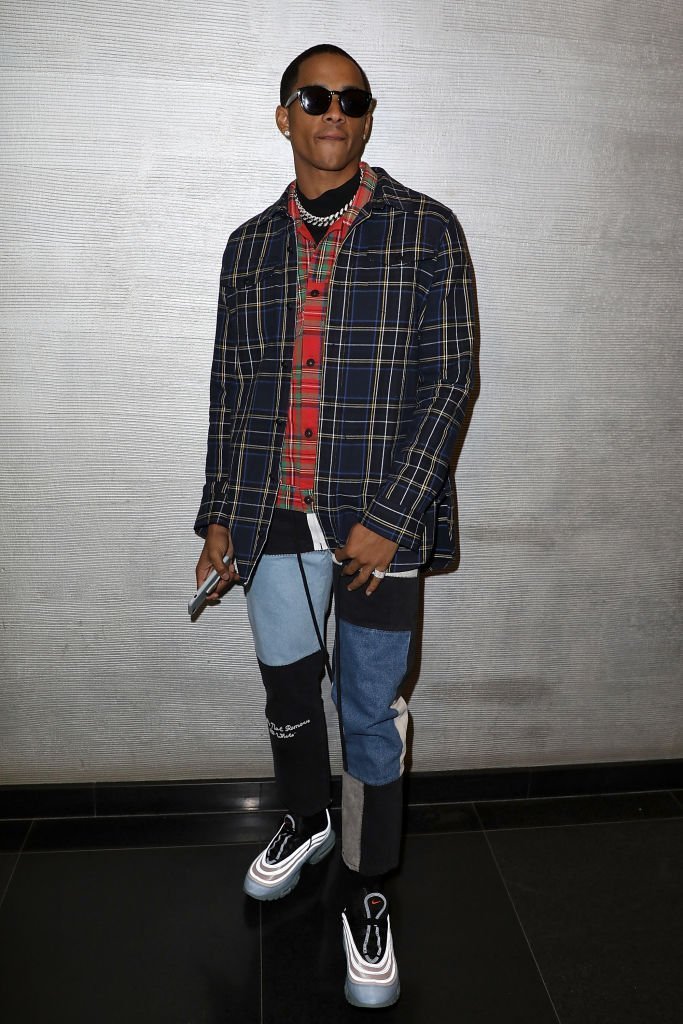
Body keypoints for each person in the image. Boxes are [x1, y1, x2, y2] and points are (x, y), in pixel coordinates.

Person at [194, 43, 475, 1009]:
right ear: (285, 116)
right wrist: (218, 517)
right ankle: (308, 817)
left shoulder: (427, 232)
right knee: (286, 687)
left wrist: (394, 519)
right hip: (269, 513)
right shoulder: (248, 247)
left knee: (369, 712)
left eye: (352, 99)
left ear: (364, 118)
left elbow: (450, 382)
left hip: (374, 527)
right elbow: (232, 392)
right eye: (314, 96)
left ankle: (366, 885)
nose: (334, 111)